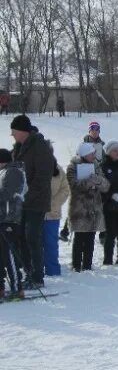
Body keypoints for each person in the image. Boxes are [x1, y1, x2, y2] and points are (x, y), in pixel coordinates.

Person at [11, 115, 54, 289]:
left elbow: (43, 176)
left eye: (14, 131)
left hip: (36, 201)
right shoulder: (19, 147)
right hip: (21, 202)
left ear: (22, 131)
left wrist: (26, 194)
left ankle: (37, 276)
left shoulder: (39, 146)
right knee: (21, 237)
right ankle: (27, 271)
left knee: (32, 237)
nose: (12, 135)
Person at [66, 143, 110, 272]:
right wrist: (90, 181)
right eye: (91, 153)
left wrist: (98, 180)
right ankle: (76, 265)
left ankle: (87, 265)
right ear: (84, 154)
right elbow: (74, 185)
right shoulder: (72, 167)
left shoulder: (96, 166)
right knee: (79, 238)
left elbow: (106, 185)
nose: (93, 155)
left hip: (94, 207)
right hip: (79, 207)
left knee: (90, 237)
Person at [0, 149, 27, 299]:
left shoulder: (13, 172)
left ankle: (17, 288)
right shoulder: (3, 172)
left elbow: (6, 193)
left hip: (9, 219)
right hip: (2, 218)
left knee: (9, 253)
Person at [43, 152, 69, 276]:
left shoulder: (57, 169)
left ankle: (52, 270)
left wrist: (53, 204)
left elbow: (65, 189)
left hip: (52, 213)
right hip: (33, 212)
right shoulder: (30, 166)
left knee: (51, 243)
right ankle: (34, 271)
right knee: (33, 243)